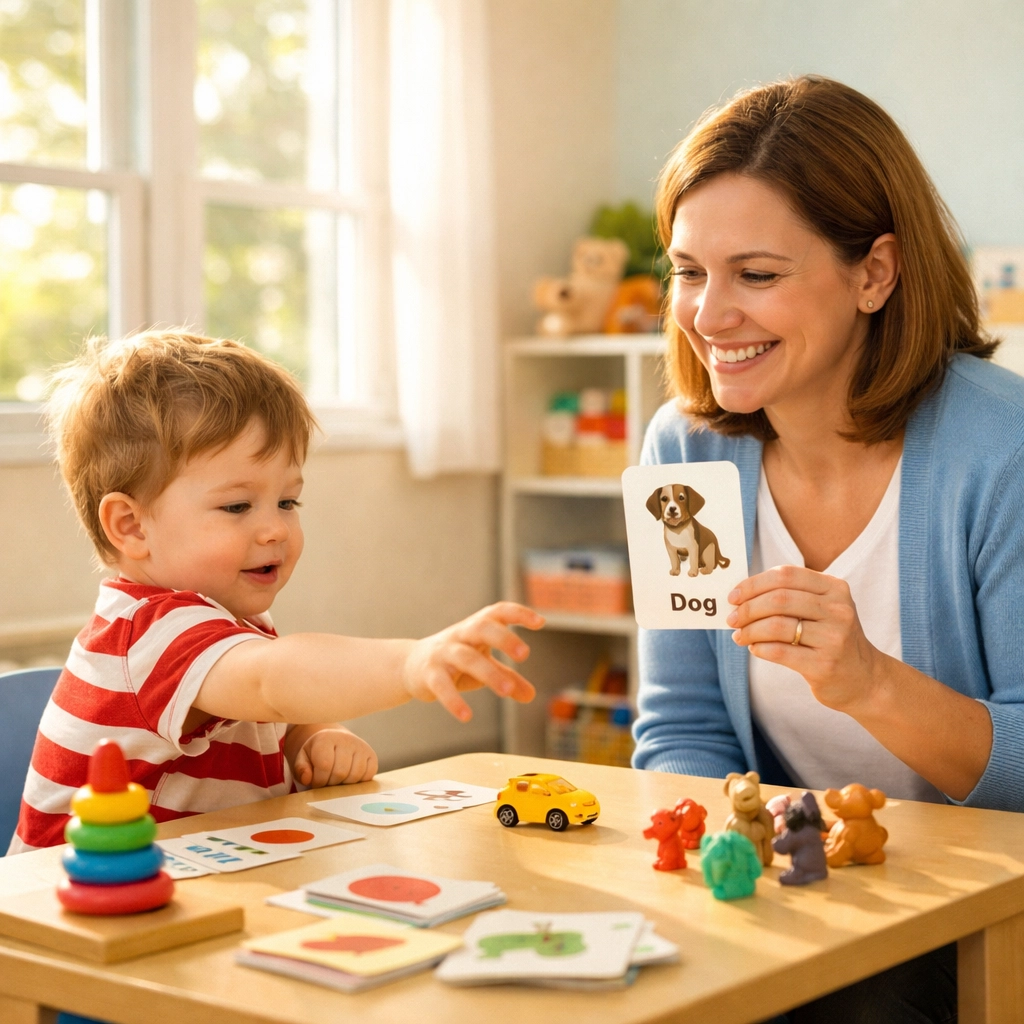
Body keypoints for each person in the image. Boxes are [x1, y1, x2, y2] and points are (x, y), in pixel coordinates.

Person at [632, 75, 1024, 1022]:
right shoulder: (687, 451)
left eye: (756, 275)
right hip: (805, 891)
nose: (709, 315)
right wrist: (728, 856)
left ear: (874, 273)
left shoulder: (1001, 452)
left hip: (982, 908)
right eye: (690, 271)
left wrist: (872, 684)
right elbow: (681, 726)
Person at [10, 331, 543, 854]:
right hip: (70, 916)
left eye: (287, 502)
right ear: (131, 526)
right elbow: (272, 681)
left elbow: (273, 705)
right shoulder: (149, 633)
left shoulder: (223, 623)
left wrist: (313, 737)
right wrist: (411, 662)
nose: (275, 530)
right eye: (238, 507)